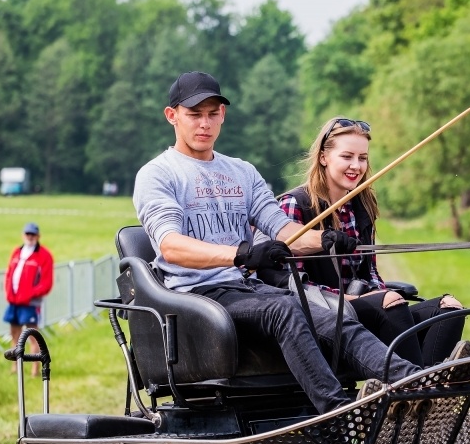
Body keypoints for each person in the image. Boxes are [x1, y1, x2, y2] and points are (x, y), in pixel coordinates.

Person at [132, 71, 422, 414]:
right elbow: (172, 247)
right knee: (285, 309)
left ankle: (414, 384)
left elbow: (283, 230)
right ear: (172, 116)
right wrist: (241, 254)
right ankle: (340, 414)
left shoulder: (242, 171)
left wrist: (326, 239)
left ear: (223, 115)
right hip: (195, 298)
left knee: (335, 315)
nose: (204, 124)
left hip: (244, 290)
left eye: (213, 114)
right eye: (194, 115)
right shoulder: (158, 174)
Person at [276, 117, 470, 367]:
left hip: (365, 307)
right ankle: (417, 389)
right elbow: (290, 284)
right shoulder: (295, 204)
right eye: (347, 157)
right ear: (324, 158)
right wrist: (352, 299)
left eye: (363, 158)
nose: (356, 166)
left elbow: (369, 272)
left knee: (449, 310)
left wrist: (377, 291)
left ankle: (425, 388)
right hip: (324, 313)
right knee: (390, 302)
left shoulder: (362, 205)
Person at [4, 222, 54, 377]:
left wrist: (30, 293)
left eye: (33, 234)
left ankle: (35, 370)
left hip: (30, 303)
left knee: (32, 335)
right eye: (27, 234)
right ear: (23, 235)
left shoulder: (44, 255)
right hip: (14, 302)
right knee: (14, 334)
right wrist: (8, 292)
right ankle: (15, 367)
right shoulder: (17, 252)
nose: (30, 237)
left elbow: (46, 283)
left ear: (38, 236)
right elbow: (9, 273)